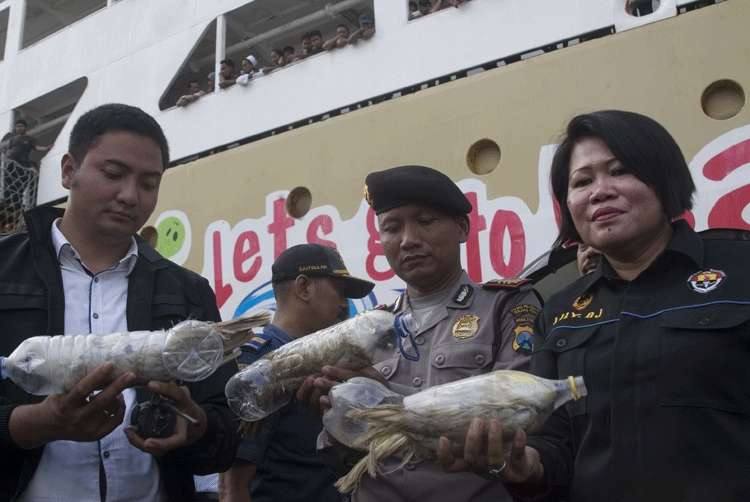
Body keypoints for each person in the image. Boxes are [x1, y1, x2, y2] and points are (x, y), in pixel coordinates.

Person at [438, 110, 750, 501]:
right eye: (582, 181)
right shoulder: (559, 312)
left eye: (620, 171)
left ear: (664, 178)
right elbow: (556, 444)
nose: (600, 191)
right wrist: (525, 466)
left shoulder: (740, 270)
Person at [0, 104, 240, 501]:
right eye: (113, 175)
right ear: (68, 171)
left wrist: (196, 426)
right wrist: (36, 422)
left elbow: (225, 436)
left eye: (149, 183)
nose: (130, 196)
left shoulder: (188, 292)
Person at [300, 165, 542, 502]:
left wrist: (385, 399)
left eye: (425, 222)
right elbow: (343, 454)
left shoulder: (505, 306)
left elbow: (517, 414)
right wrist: (333, 412)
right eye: (391, 228)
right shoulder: (369, 329)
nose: (408, 240)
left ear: (462, 227)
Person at [220, 244, 375, 502]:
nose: (344, 304)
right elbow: (233, 488)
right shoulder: (260, 364)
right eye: (339, 291)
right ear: (303, 288)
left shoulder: (326, 362)